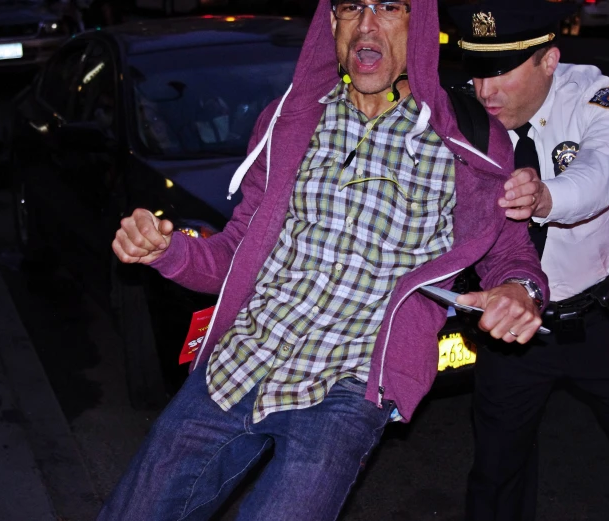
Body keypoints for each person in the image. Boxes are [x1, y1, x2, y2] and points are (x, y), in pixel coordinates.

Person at [102, 0, 548, 519]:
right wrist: (168, 249)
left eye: (388, 7)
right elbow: (236, 252)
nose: (366, 25)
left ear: (419, 23)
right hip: (242, 356)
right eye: (351, 7)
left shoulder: (467, 136)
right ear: (330, 23)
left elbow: (511, 255)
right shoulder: (287, 121)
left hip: (351, 381)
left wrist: (520, 291)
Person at [450, 2, 609, 519]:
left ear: (548, 60)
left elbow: (604, 172)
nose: (485, 91)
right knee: (496, 479)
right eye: (477, 70)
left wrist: (544, 198)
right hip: (512, 331)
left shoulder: (604, 97)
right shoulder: (463, 115)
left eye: (502, 72)